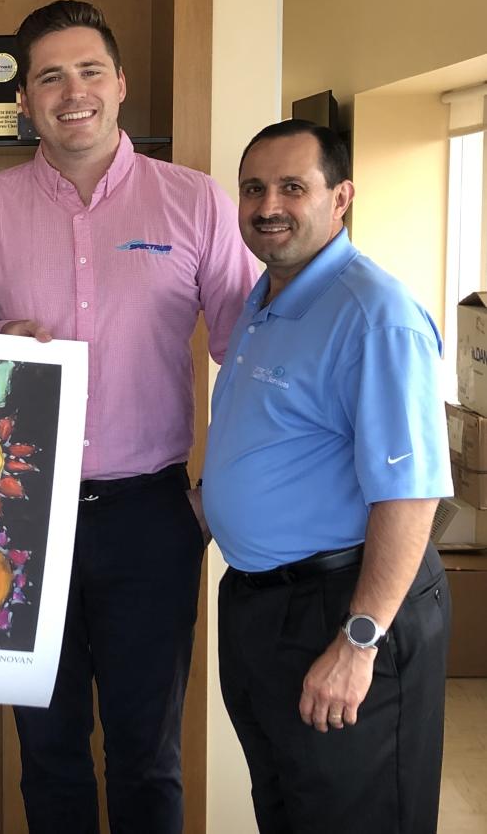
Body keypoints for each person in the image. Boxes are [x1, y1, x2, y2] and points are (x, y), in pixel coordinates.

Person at [0, 0, 257, 833]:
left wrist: (212, 499)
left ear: (120, 84)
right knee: (47, 751)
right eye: (49, 76)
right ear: (24, 99)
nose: (70, 91)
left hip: (150, 517)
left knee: (147, 755)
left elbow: (251, 360)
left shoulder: (195, 202)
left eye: (88, 71)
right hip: (15, 517)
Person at [201, 119, 452, 834]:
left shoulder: (375, 315)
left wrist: (359, 640)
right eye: (254, 188)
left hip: (346, 605)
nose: (268, 205)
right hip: (263, 607)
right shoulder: (267, 296)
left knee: (358, 816)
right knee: (292, 808)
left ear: (340, 197)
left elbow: (411, 495)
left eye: (292, 187)